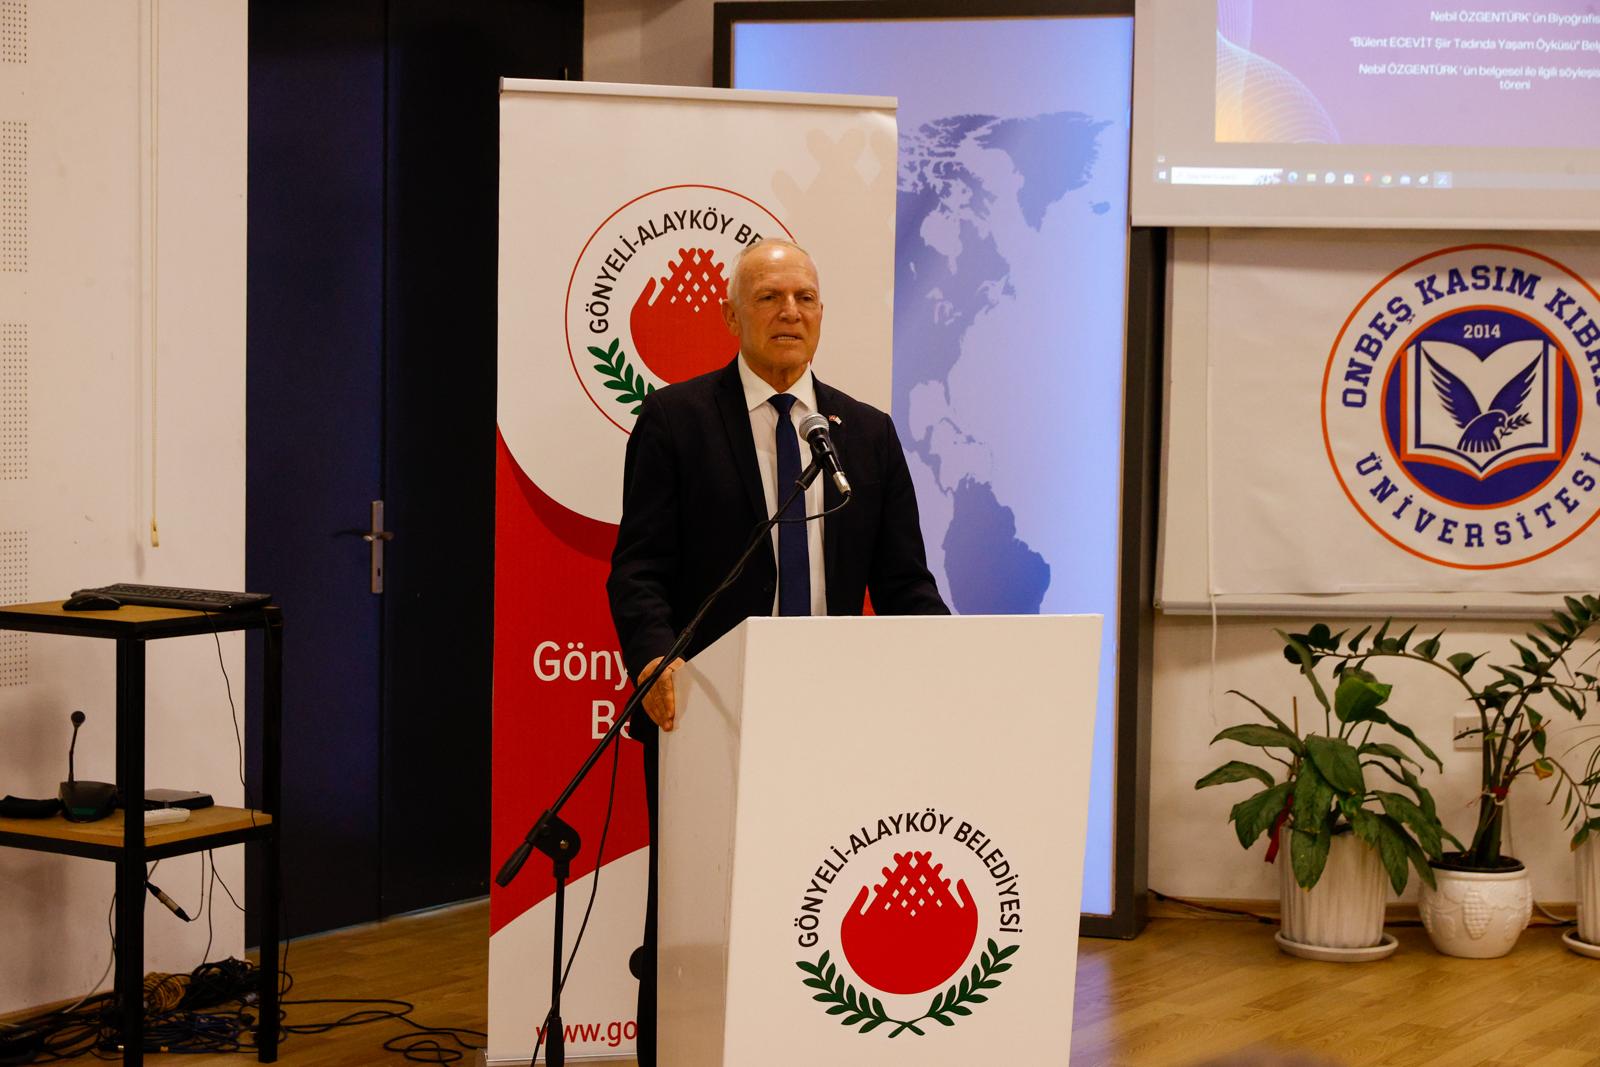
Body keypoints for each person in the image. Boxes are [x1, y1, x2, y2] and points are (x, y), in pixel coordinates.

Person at [606, 238, 948, 1065]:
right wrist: (653, 655)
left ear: (822, 313)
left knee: (823, 902)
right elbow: (638, 569)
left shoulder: (866, 433)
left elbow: (905, 582)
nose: (789, 311)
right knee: (694, 913)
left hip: (835, 718)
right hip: (709, 713)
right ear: (732, 316)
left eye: (804, 297)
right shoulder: (677, 420)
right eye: (768, 297)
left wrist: (958, 666)